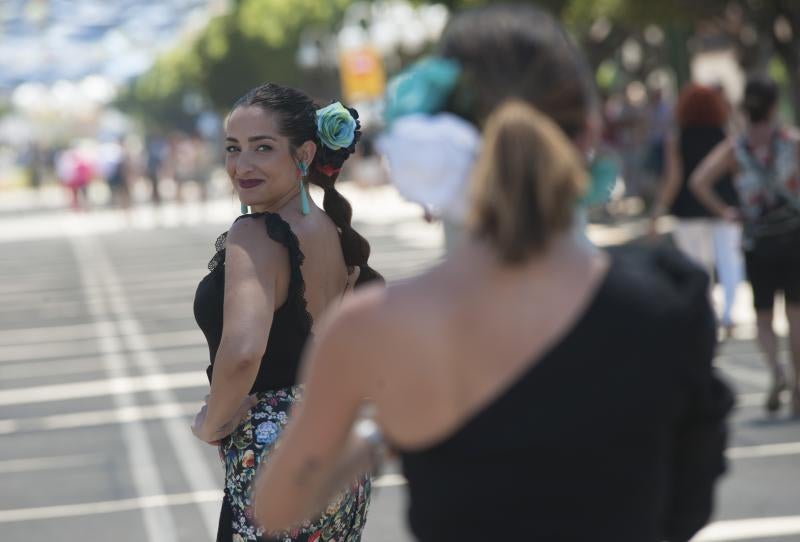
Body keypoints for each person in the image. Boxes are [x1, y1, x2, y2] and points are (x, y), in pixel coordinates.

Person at [253, 5, 733, 541]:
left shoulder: (376, 329)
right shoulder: (670, 300)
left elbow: (278, 507)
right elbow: (689, 506)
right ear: (588, 134)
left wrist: (375, 437)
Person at [191, 82, 381, 542]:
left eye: (263, 148)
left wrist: (212, 424)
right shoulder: (331, 229)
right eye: (233, 148)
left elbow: (242, 351)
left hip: (273, 466)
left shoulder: (257, 234)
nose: (242, 164)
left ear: (305, 154)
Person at [691, 75, 800, 417]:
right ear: (773, 106)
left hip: (757, 239)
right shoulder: (791, 141)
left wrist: (728, 211)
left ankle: (777, 370)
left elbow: (699, 181)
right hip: (794, 236)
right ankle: (798, 385)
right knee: (796, 315)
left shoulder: (735, 148)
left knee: (764, 317)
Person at [650, 83, 744, 334]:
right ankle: (729, 314)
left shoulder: (677, 138)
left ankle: (708, 312)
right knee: (730, 260)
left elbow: (673, 178)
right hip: (725, 206)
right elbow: (738, 172)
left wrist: (658, 211)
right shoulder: (725, 135)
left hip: (688, 210)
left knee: (697, 265)